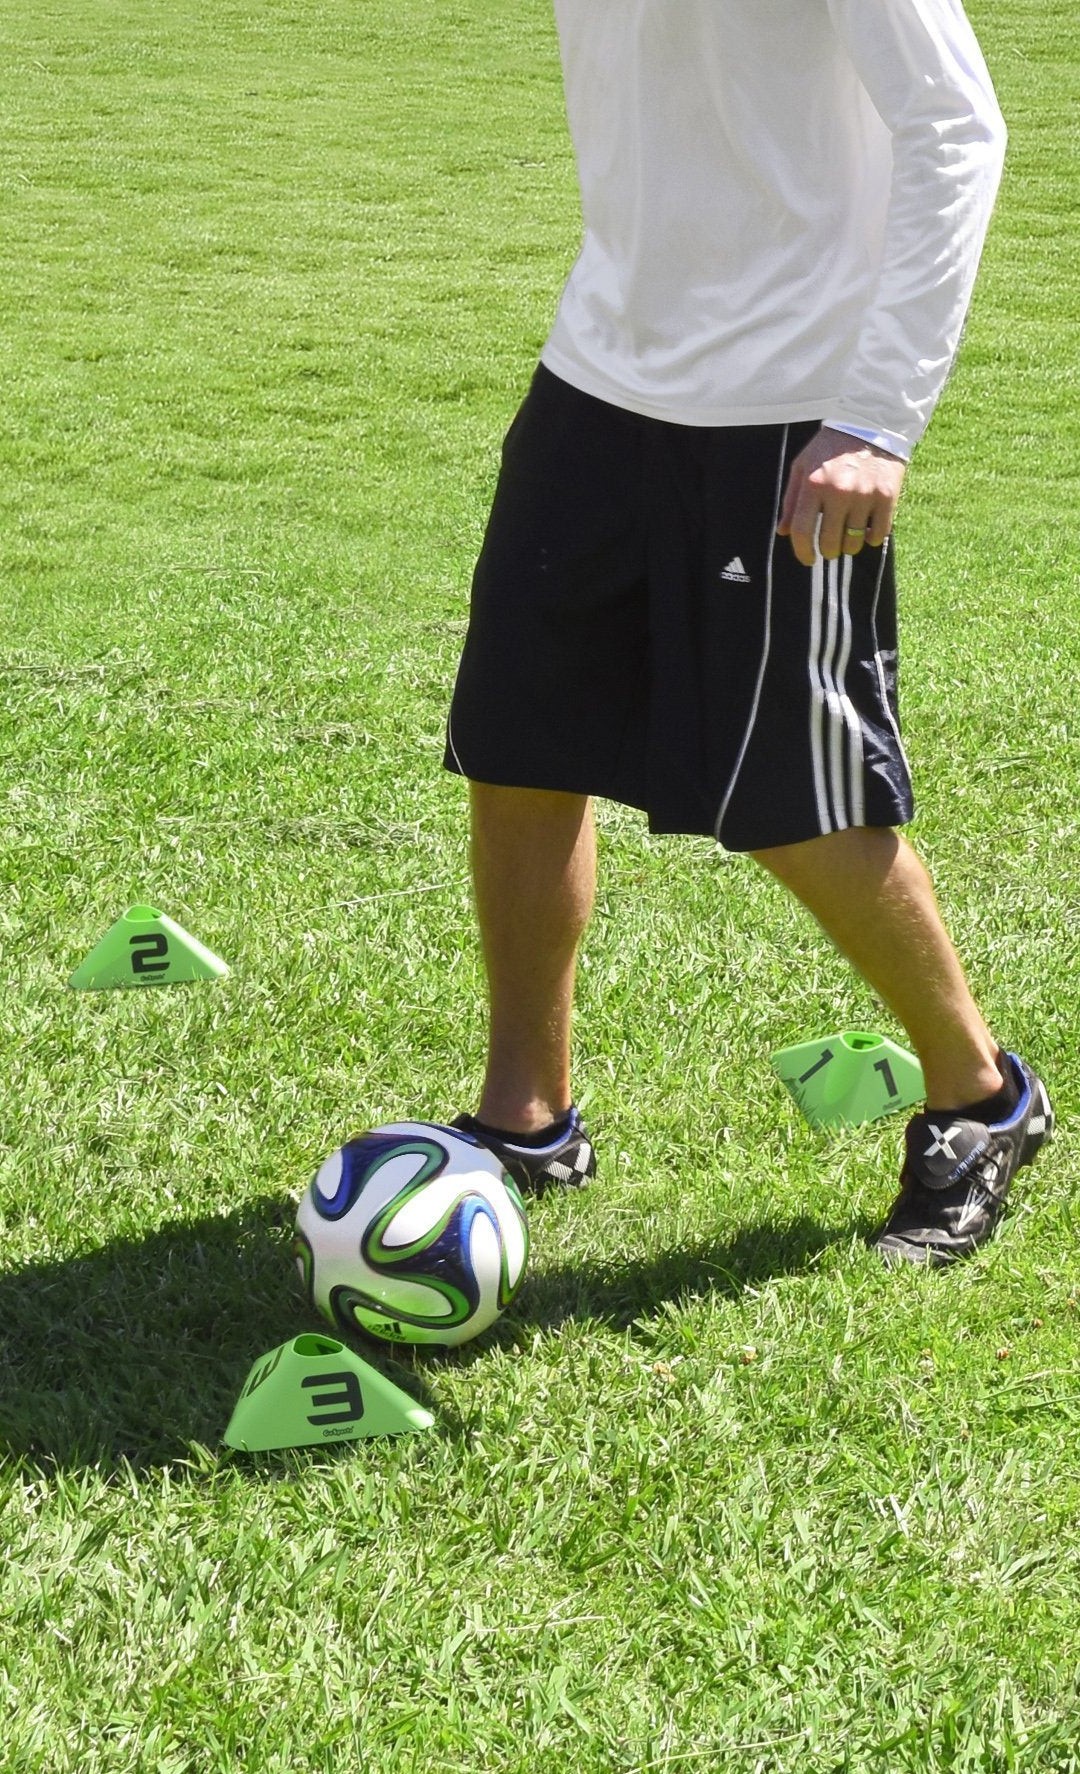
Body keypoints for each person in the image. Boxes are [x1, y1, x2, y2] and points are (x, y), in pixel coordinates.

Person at [441, 0, 1051, 1264]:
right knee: (518, 745)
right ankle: (527, 1120)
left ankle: (977, 1097)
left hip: (790, 403)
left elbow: (956, 126)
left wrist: (878, 418)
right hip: (598, 370)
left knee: (797, 798)